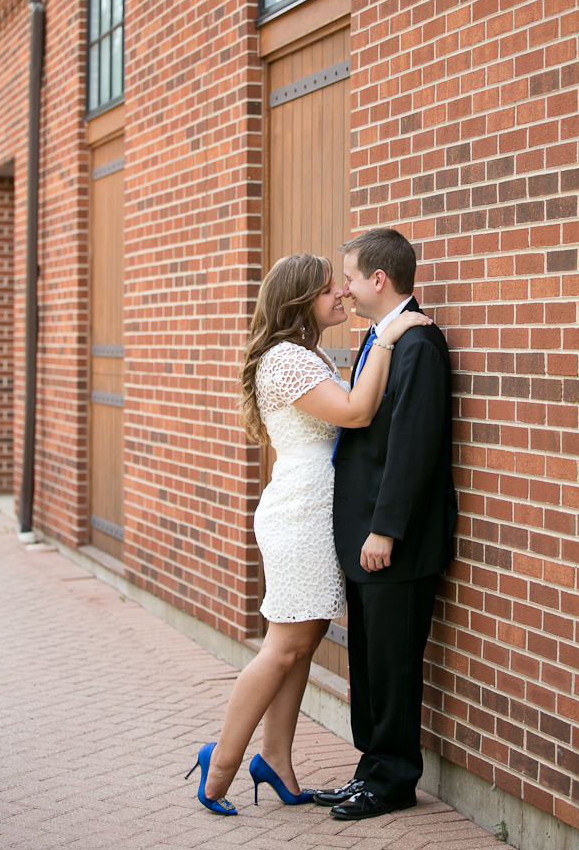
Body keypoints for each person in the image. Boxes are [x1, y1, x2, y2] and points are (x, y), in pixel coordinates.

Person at [185, 252, 431, 815]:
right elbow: (356, 411)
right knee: (285, 646)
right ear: (300, 302)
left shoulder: (305, 353)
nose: (340, 296)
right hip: (299, 514)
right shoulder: (286, 361)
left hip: (315, 511)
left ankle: (275, 760)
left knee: (302, 644)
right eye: (328, 291)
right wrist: (389, 334)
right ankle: (219, 764)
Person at [313, 228, 457, 820]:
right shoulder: (383, 338)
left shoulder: (418, 346)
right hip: (366, 538)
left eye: (349, 277)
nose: (343, 289)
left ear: (379, 279)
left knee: (393, 665)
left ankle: (393, 780)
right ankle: (370, 768)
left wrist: (385, 530)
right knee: (370, 663)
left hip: (396, 543)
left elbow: (413, 447)